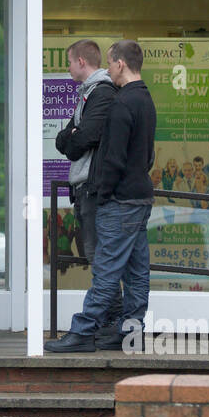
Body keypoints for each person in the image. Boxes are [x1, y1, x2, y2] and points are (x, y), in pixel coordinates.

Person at [46, 40, 157, 353]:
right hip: (140, 196)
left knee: (106, 268)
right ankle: (130, 333)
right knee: (136, 270)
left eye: (110, 64)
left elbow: (112, 157)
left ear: (120, 64)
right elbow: (147, 155)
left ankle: (82, 331)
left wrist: (103, 192)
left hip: (118, 199)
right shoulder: (145, 99)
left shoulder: (122, 103)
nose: (108, 70)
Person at [53, 39, 117, 263]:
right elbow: (62, 139)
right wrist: (71, 136)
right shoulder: (87, 93)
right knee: (95, 256)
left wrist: (73, 137)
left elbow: (84, 137)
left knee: (98, 257)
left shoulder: (102, 93)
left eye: (69, 62)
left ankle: (110, 300)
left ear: (81, 61)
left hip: (93, 187)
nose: (67, 67)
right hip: (83, 187)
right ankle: (108, 299)